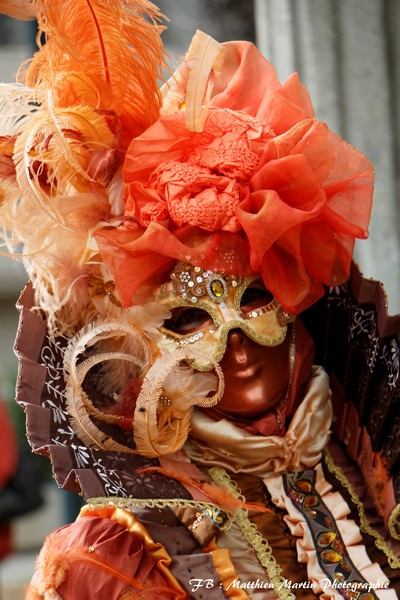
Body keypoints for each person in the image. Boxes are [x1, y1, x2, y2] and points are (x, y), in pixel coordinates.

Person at [0, 1, 399, 598]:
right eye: (189, 317)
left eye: (257, 297)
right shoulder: (113, 560)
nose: (234, 340)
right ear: (139, 350)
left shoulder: (376, 458)